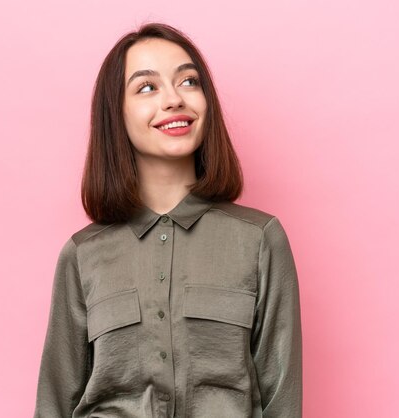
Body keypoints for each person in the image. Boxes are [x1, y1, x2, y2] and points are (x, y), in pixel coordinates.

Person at [33, 22, 302, 418]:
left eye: (189, 82)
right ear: (116, 115)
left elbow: (283, 400)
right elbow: (53, 404)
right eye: (147, 87)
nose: (174, 99)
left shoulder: (260, 240)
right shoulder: (82, 255)